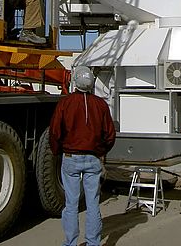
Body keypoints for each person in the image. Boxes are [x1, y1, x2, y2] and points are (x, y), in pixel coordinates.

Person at [49, 65, 116, 246]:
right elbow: (110, 134)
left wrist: (57, 151)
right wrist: (101, 152)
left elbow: (55, 131)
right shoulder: (100, 105)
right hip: (93, 159)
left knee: (71, 204)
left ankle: (70, 243)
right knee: (92, 203)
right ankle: (92, 243)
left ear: (75, 81)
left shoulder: (65, 103)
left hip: (70, 158)